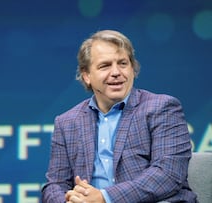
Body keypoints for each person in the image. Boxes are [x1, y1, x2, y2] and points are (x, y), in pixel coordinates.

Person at [41, 30, 197, 203]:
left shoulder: (162, 108)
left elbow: (168, 174)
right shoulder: (67, 122)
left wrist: (104, 198)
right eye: (105, 66)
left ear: (132, 69)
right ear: (87, 76)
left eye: (123, 63)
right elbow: (55, 184)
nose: (116, 72)